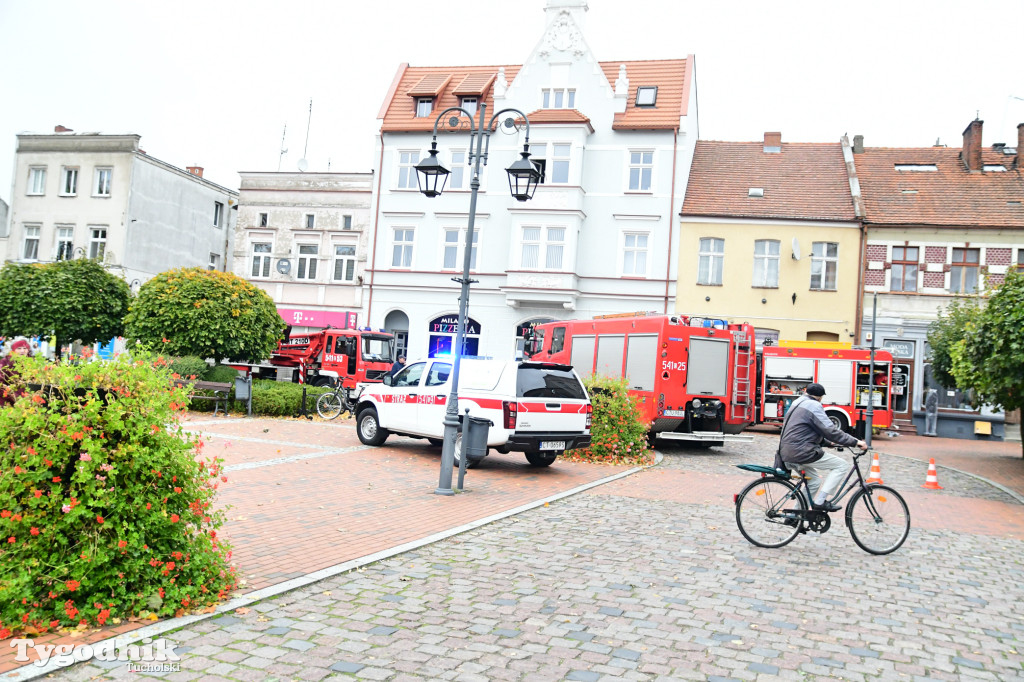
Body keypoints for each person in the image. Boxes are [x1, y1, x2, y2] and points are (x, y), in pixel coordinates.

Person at [774, 383, 866, 513]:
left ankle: (794, 516)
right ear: (820, 397)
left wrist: (828, 443)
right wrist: (855, 442)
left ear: (806, 392)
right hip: (801, 452)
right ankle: (821, 501)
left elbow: (804, 430)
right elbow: (830, 430)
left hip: (786, 452)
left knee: (814, 481)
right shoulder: (814, 405)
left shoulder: (798, 402)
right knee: (841, 466)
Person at [0, 338, 32, 407]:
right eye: (19, 348)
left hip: (28, 402)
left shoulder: (32, 363)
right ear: (13, 350)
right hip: (6, 402)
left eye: (25, 348)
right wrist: (14, 397)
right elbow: (1, 384)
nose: (22, 351)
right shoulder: (5, 362)